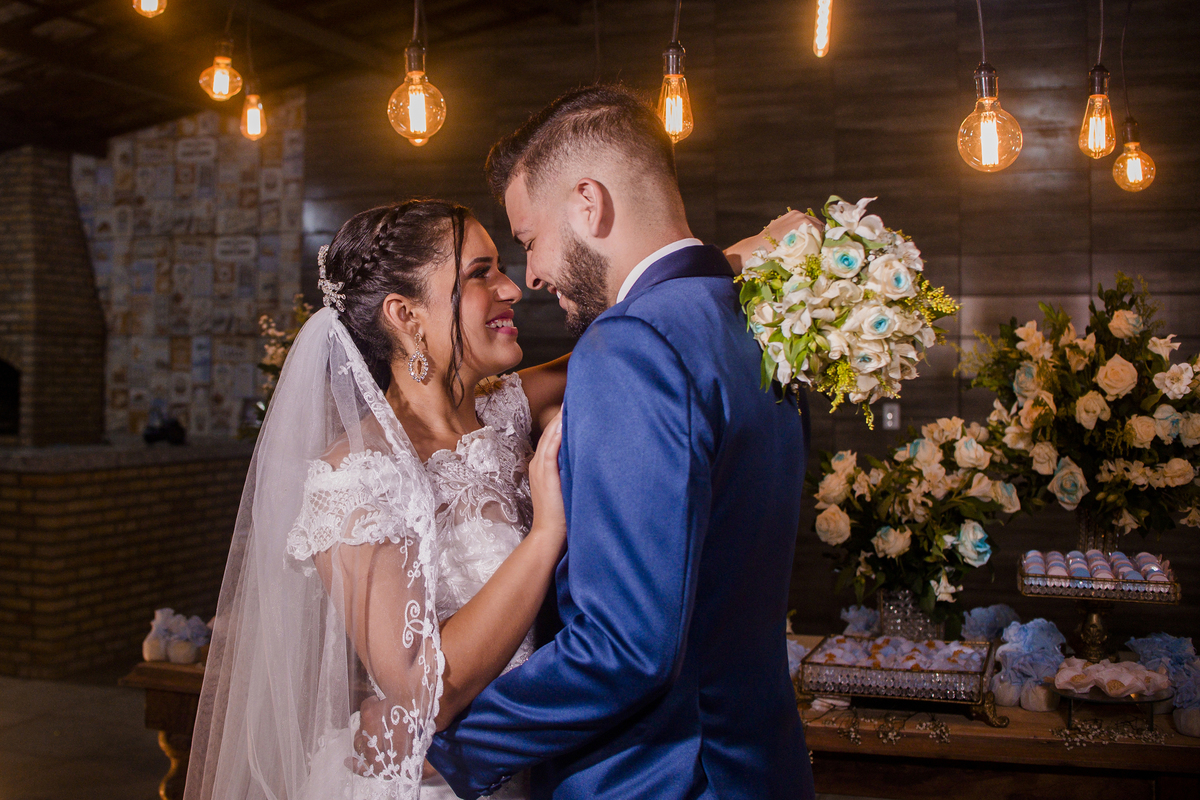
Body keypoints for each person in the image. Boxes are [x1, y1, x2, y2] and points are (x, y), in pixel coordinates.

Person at [185, 193, 786, 800]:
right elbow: (425, 689)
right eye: (480, 274)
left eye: (501, 264)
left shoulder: (504, 409)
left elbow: (635, 344)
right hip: (434, 783)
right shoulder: (356, 476)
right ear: (405, 314)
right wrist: (547, 533)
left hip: (542, 762)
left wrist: (724, 263)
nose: (513, 288)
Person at [421, 85, 816, 799]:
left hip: (659, 777)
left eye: (530, 240)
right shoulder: (757, 317)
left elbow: (624, 647)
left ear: (587, 203)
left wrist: (452, 754)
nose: (532, 275)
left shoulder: (627, 346)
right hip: (758, 766)